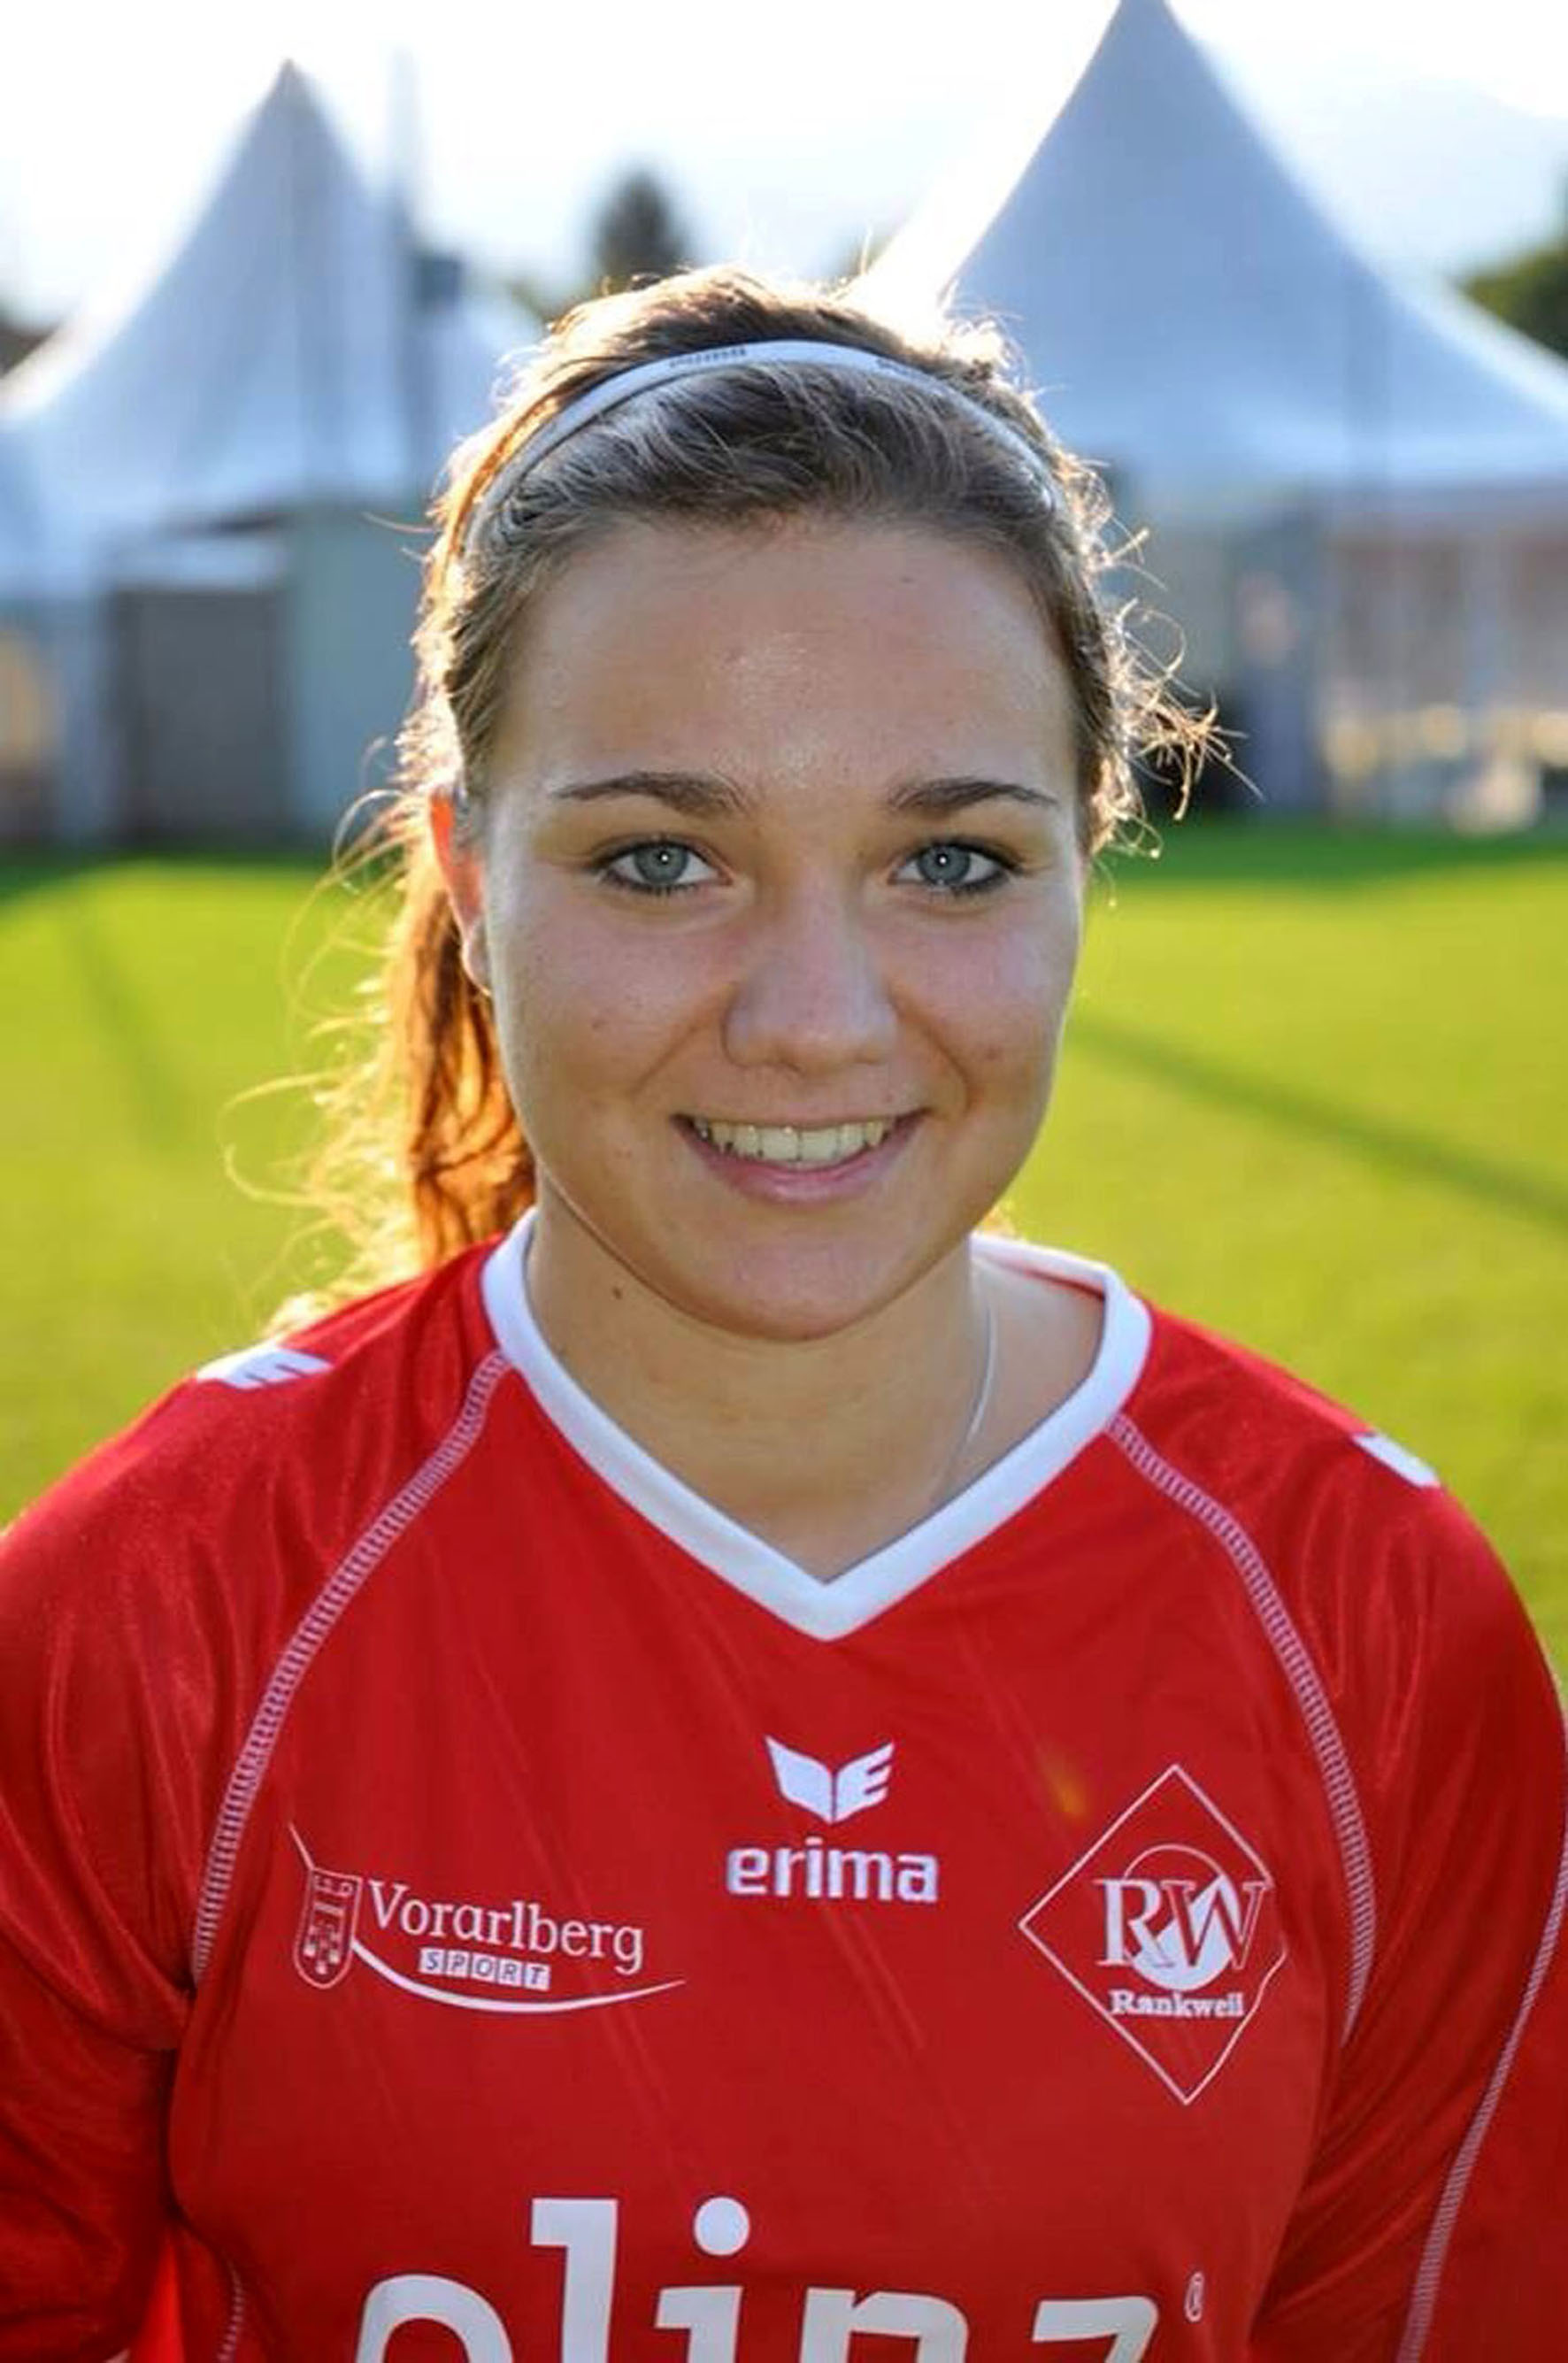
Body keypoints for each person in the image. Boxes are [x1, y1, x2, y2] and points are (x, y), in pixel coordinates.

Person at [1, 266, 1563, 2363]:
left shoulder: (1366, 1622)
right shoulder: (168, 1604)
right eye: (661, 861)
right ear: (466, 876)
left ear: (1090, 855)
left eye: (952, 863)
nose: (815, 1021)